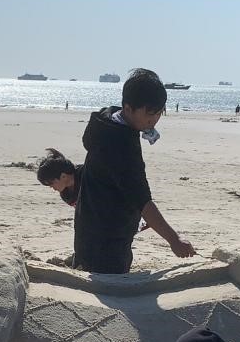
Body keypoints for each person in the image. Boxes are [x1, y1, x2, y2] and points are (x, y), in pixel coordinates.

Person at [73, 68, 195, 273]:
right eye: (149, 113)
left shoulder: (106, 120)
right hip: (108, 236)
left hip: (88, 222)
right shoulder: (120, 144)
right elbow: (142, 199)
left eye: (159, 113)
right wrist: (174, 239)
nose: (154, 120)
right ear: (128, 108)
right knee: (109, 281)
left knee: (87, 267)